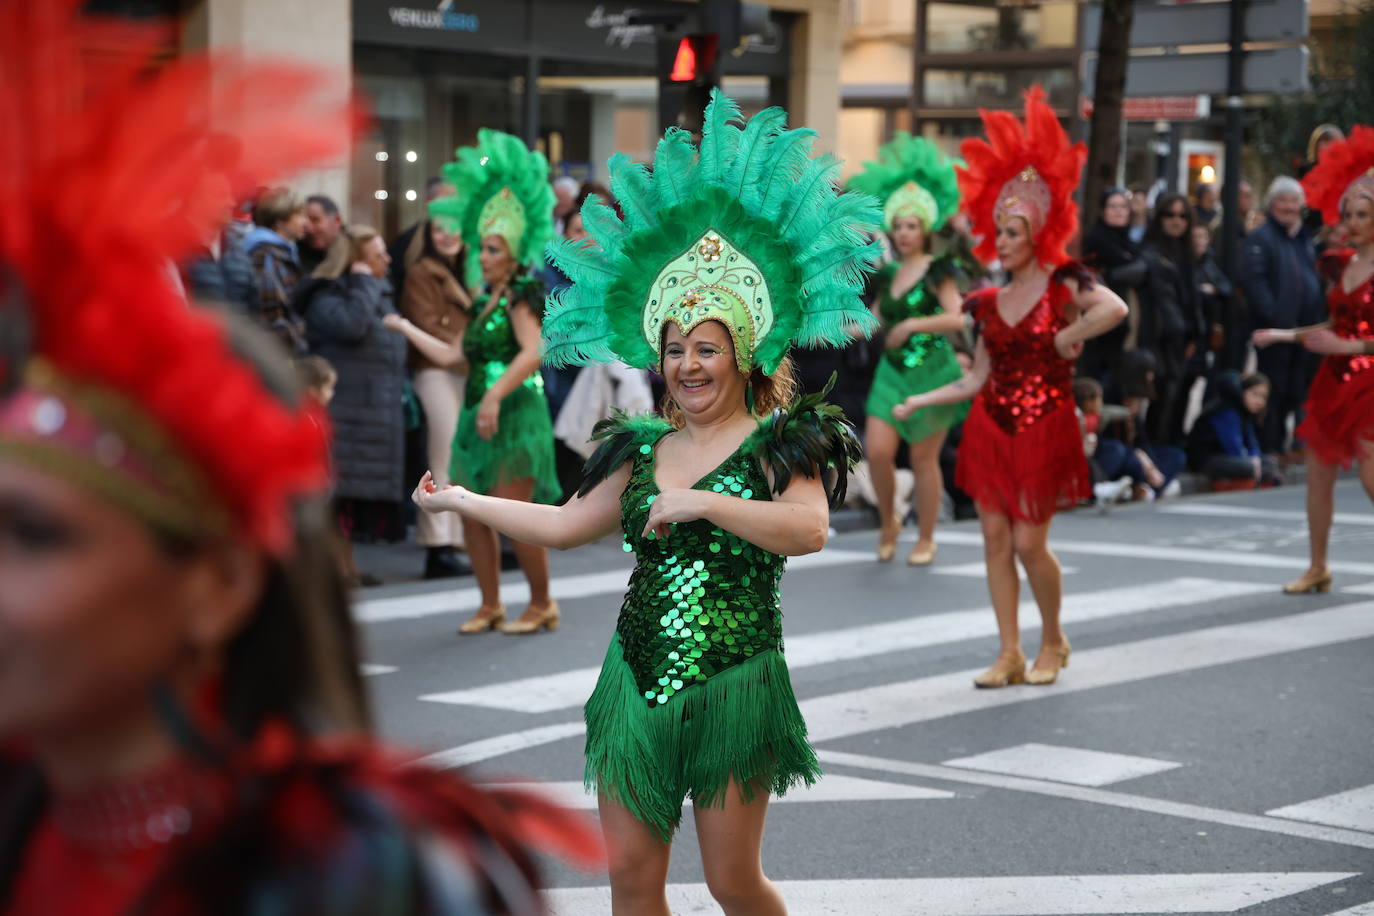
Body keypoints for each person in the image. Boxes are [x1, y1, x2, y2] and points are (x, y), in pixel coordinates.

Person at [0, 4, 599, 911]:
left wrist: (481, 381)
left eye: (34, 536)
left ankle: (533, 600)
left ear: (219, 584)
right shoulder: (18, 812)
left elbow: (519, 351)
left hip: (502, 414)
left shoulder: (359, 875)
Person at [413, 91, 871, 916]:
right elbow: (565, 524)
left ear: (745, 353)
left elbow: (808, 529)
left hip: (738, 681)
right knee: (630, 877)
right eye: (674, 349)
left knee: (734, 882)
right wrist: (466, 500)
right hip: (634, 675)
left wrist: (703, 505)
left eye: (706, 348)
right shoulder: (641, 446)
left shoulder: (784, 440)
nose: (687, 366)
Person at [894, 87, 1128, 688]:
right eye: (999, 229)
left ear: (1039, 230)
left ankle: (1053, 638)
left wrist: (1063, 336)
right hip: (992, 427)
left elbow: (1115, 309)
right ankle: (1009, 652)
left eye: (1015, 230)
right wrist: (923, 399)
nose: (1004, 239)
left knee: (1030, 542)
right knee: (994, 540)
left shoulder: (1063, 282)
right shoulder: (988, 302)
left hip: (1046, 426)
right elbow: (976, 376)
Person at [385, 129, 561, 634]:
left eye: (490, 248)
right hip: (477, 412)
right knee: (471, 510)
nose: (480, 255)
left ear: (512, 252)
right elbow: (450, 352)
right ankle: (490, 604)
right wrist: (405, 327)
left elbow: (535, 350)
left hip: (514, 412)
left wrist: (495, 396)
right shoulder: (484, 299)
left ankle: (542, 601)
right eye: (480, 248)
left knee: (515, 512)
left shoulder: (522, 292)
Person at [1255, 125, 1374, 594]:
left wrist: (1355, 348)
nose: (1353, 221)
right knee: (1318, 473)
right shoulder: (1339, 264)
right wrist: (1284, 334)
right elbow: (1333, 324)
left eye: (1362, 213)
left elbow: (1350, 338)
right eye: (1349, 213)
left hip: (1368, 383)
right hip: (1332, 382)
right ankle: (1318, 565)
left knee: (1369, 473)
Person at [847, 133, 970, 564]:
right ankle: (889, 523)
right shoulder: (890, 272)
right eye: (897, 225)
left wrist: (916, 323)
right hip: (892, 373)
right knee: (878, 451)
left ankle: (927, 536)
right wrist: (837, 329)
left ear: (926, 228)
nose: (902, 233)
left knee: (923, 460)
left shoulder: (941, 270)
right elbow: (877, 318)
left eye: (911, 225)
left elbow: (959, 317)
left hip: (933, 371)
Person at [296, 226, 408, 587]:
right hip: (345, 408)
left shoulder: (375, 289)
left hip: (371, 407)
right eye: (377, 255)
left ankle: (347, 566)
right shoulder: (329, 294)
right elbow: (351, 325)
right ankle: (336, 568)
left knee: (348, 498)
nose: (387, 260)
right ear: (355, 262)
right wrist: (362, 283)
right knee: (336, 496)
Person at [399, 218, 474, 579]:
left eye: (453, 227)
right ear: (427, 235)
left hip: (461, 371)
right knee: (441, 455)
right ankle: (437, 546)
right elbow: (425, 323)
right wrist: (466, 342)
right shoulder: (421, 273)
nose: (447, 235)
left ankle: (456, 544)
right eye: (439, 229)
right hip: (434, 369)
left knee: (457, 457)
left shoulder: (468, 270)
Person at [1242, 177, 1326, 457]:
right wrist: (1275, 316)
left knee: (1298, 390)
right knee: (1274, 391)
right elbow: (1255, 282)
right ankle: (1271, 448)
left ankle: (1293, 444)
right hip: (1275, 333)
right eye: (1283, 200)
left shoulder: (1302, 239)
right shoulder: (1262, 238)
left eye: (1294, 201)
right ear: (1271, 204)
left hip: (1305, 332)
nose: (1289, 206)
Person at [1138, 193, 1207, 448]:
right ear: (1160, 218)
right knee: (1158, 398)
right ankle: (1153, 454)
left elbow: (1192, 300)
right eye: (1170, 214)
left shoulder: (1187, 254)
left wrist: (1194, 334)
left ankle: (1166, 452)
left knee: (1176, 398)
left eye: (1182, 215)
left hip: (1182, 339)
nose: (1176, 221)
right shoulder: (1151, 253)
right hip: (1159, 338)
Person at [1080, 187, 1148, 397]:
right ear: (1102, 210)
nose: (1119, 211)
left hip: (1122, 327)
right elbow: (1130, 266)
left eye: (1123, 207)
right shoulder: (1098, 238)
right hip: (1100, 327)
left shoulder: (1127, 238)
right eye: (1112, 206)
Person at [243, 186, 309, 353]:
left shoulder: (283, 252)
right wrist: (298, 347)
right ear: (280, 220)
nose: (305, 223)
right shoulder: (266, 255)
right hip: (279, 352)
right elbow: (270, 311)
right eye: (299, 215)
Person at [1186, 371, 1279, 490]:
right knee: (1250, 467)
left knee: (1270, 462)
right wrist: (1252, 463)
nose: (1259, 401)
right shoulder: (1227, 411)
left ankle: (1255, 479)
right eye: (1254, 394)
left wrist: (1255, 458)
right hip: (1209, 460)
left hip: (1233, 459)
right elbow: (1233, 447)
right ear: (1242, 392)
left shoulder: (1244, 413)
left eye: (1263, 397)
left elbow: (1252, 444)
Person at [299, 194, 350, 277]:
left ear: (337, 220)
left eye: (315, 220)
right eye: (305, 222)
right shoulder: (295, 252)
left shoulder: (356, 255)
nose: (309, 229)